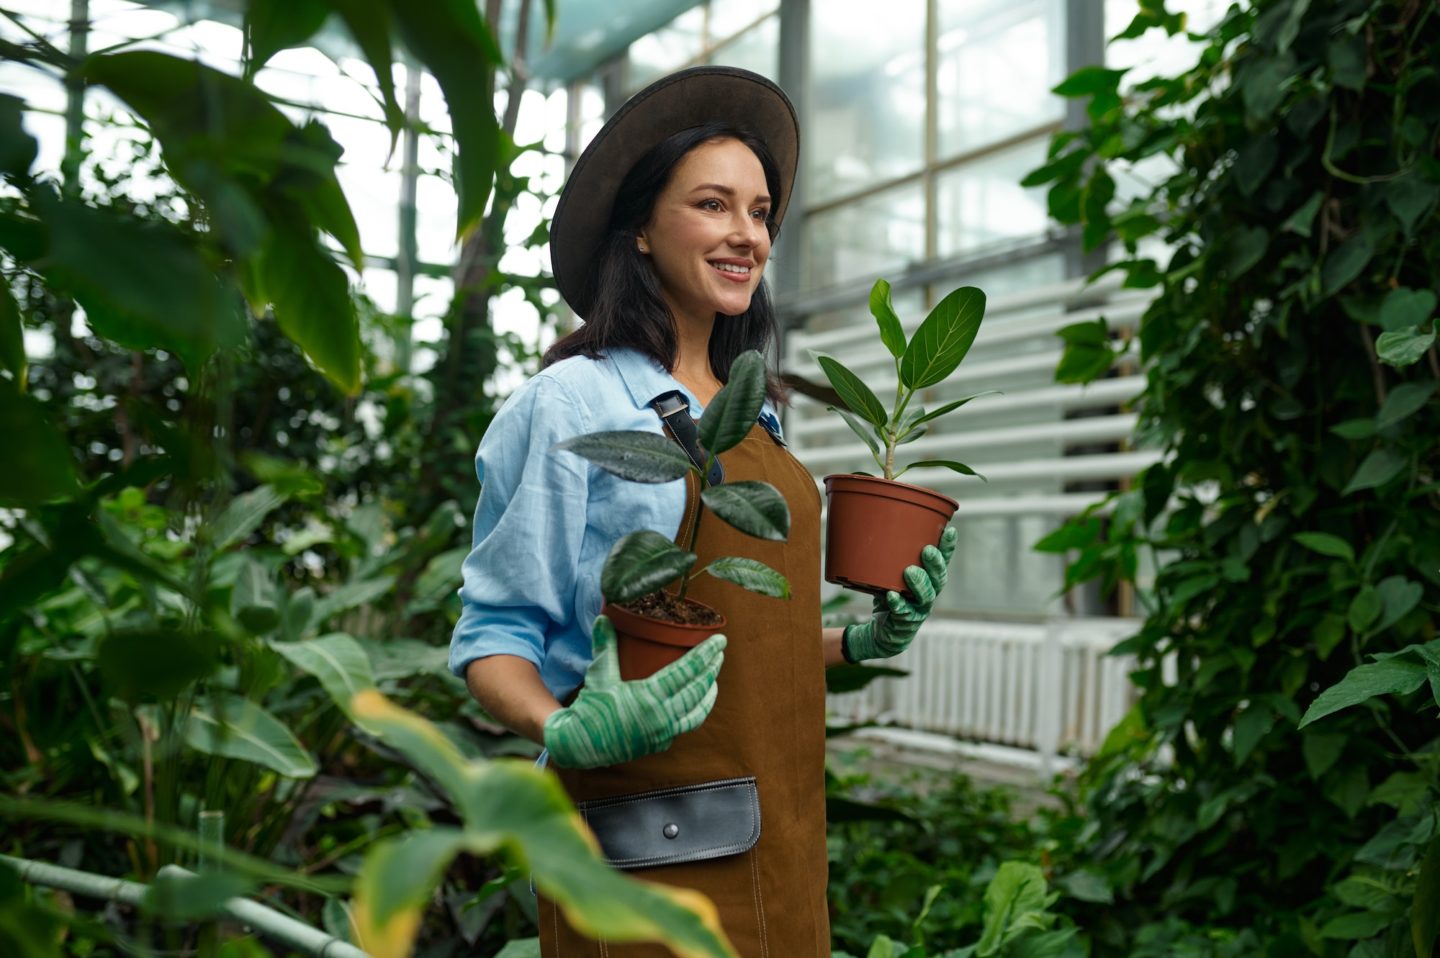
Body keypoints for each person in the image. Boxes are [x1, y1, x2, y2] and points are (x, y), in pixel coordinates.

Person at [449, 66, 958, 957]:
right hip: (644, 863)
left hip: (785, 840)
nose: (747, 236)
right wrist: (560, 725)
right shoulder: (570, 404)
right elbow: (495, 636)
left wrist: (853, 641)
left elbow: (738, 632)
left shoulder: (751, 411)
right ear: (641, 229)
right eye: (715, 205)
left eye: (760, 213)